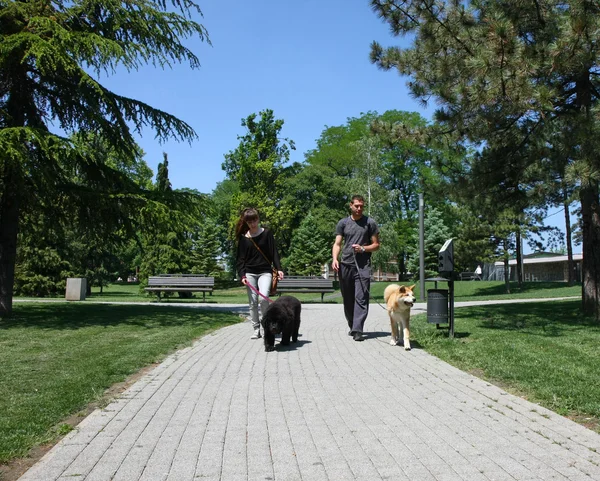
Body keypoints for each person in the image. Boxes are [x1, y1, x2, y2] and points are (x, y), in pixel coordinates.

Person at [332, 195, 380, 341]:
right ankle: (352, 324)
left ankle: (358, 329)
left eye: (361, 206)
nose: (359, 208)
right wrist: (335, 259)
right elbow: (337, 244)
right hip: (345, 264)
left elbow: (376, 245)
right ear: (351, 206)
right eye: (357, 206)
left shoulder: (370, 223)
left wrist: (363, 249)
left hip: (363, 266)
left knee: (361, 297)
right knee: (348, 298)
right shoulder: (343, 223)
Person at [236, 208, 284, 339]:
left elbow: (274, 252)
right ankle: (256, 329)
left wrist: (279, 268)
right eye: (250, 221)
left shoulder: (267, 233)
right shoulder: (243, 238)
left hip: (265, 271)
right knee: (252, 302)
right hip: (250, 272)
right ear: (246, 222)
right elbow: (240, 259)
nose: (253, 224)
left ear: (258, 219)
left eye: (255, 220)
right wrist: (242, 275)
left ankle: (267, 326)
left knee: (263, 298)